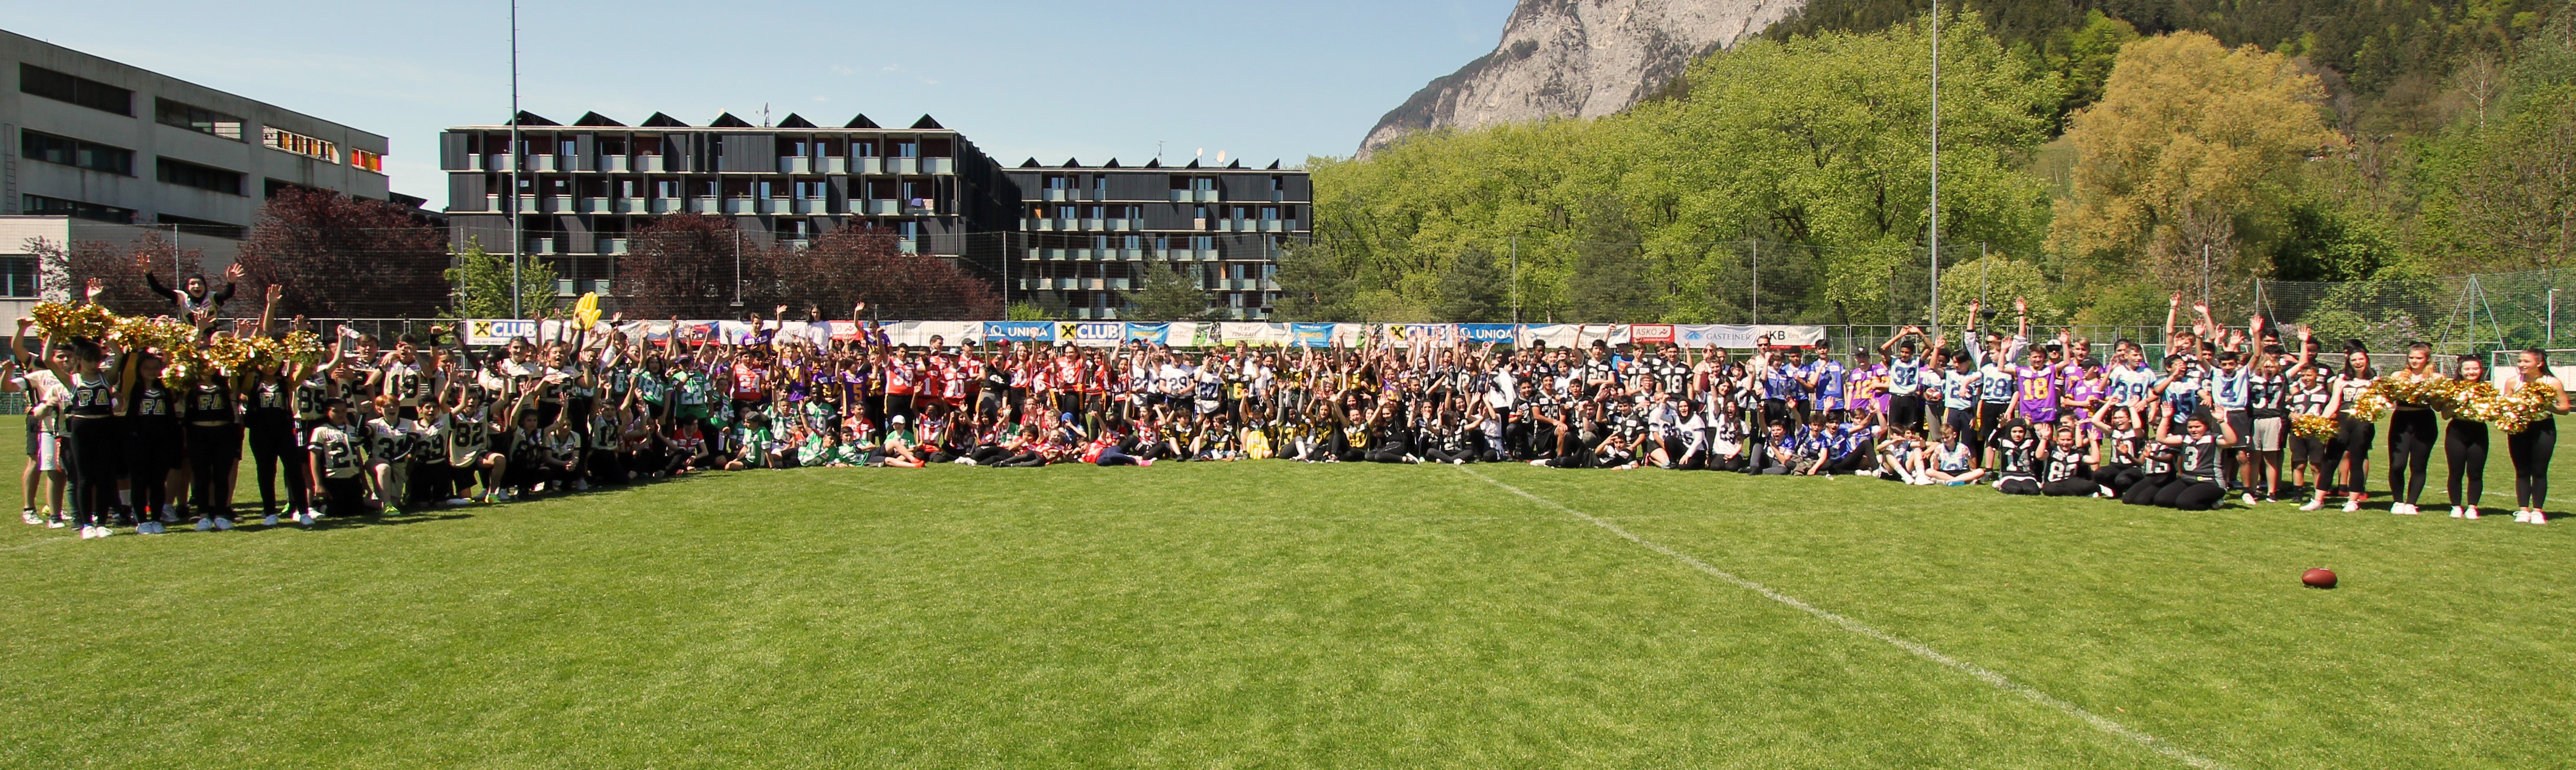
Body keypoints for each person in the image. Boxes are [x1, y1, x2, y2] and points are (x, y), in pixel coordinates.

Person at [2505, 348, 2568, 524]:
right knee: (2522, 470)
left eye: (2526, 362)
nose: (2522, 365)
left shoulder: (2552, 382)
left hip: (2543, 428)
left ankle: (2538, 511)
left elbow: (2565, 408)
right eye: (2520, 361)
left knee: (2539, 471)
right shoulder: (2513, 382)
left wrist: (2546, 406)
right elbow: (2506, 405)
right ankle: (2523, 510)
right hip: (2519, 428)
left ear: (2539, 363)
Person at [2383, 341, 2442, 515]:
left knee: (2418, 465)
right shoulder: (2397, 376)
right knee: (2397, 464)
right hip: (2401, 419)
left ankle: (2411, 503)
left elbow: (2438, 407)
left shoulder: (2437, 378)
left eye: (2419, 358)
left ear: (2427, 359)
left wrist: (2433, 395)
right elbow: (2387, 399)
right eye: (2411, 358)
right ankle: (2398, 501)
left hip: (2424, 420)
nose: (2414, 361)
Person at [2442, 356, 2490, 519]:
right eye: (2467, 369)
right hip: (2457, 431)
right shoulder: (2453, 388)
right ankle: (2456, 506)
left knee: (2476, 472)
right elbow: (2445, 415)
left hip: (2479, 432)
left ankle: (2472, 507)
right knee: (2456, 472)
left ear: (2481, 370)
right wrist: (2456, 403)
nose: (2471, 372)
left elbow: (2492, 415)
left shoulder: (2486, 388)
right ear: (2460, 371)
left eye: (2475, 369)